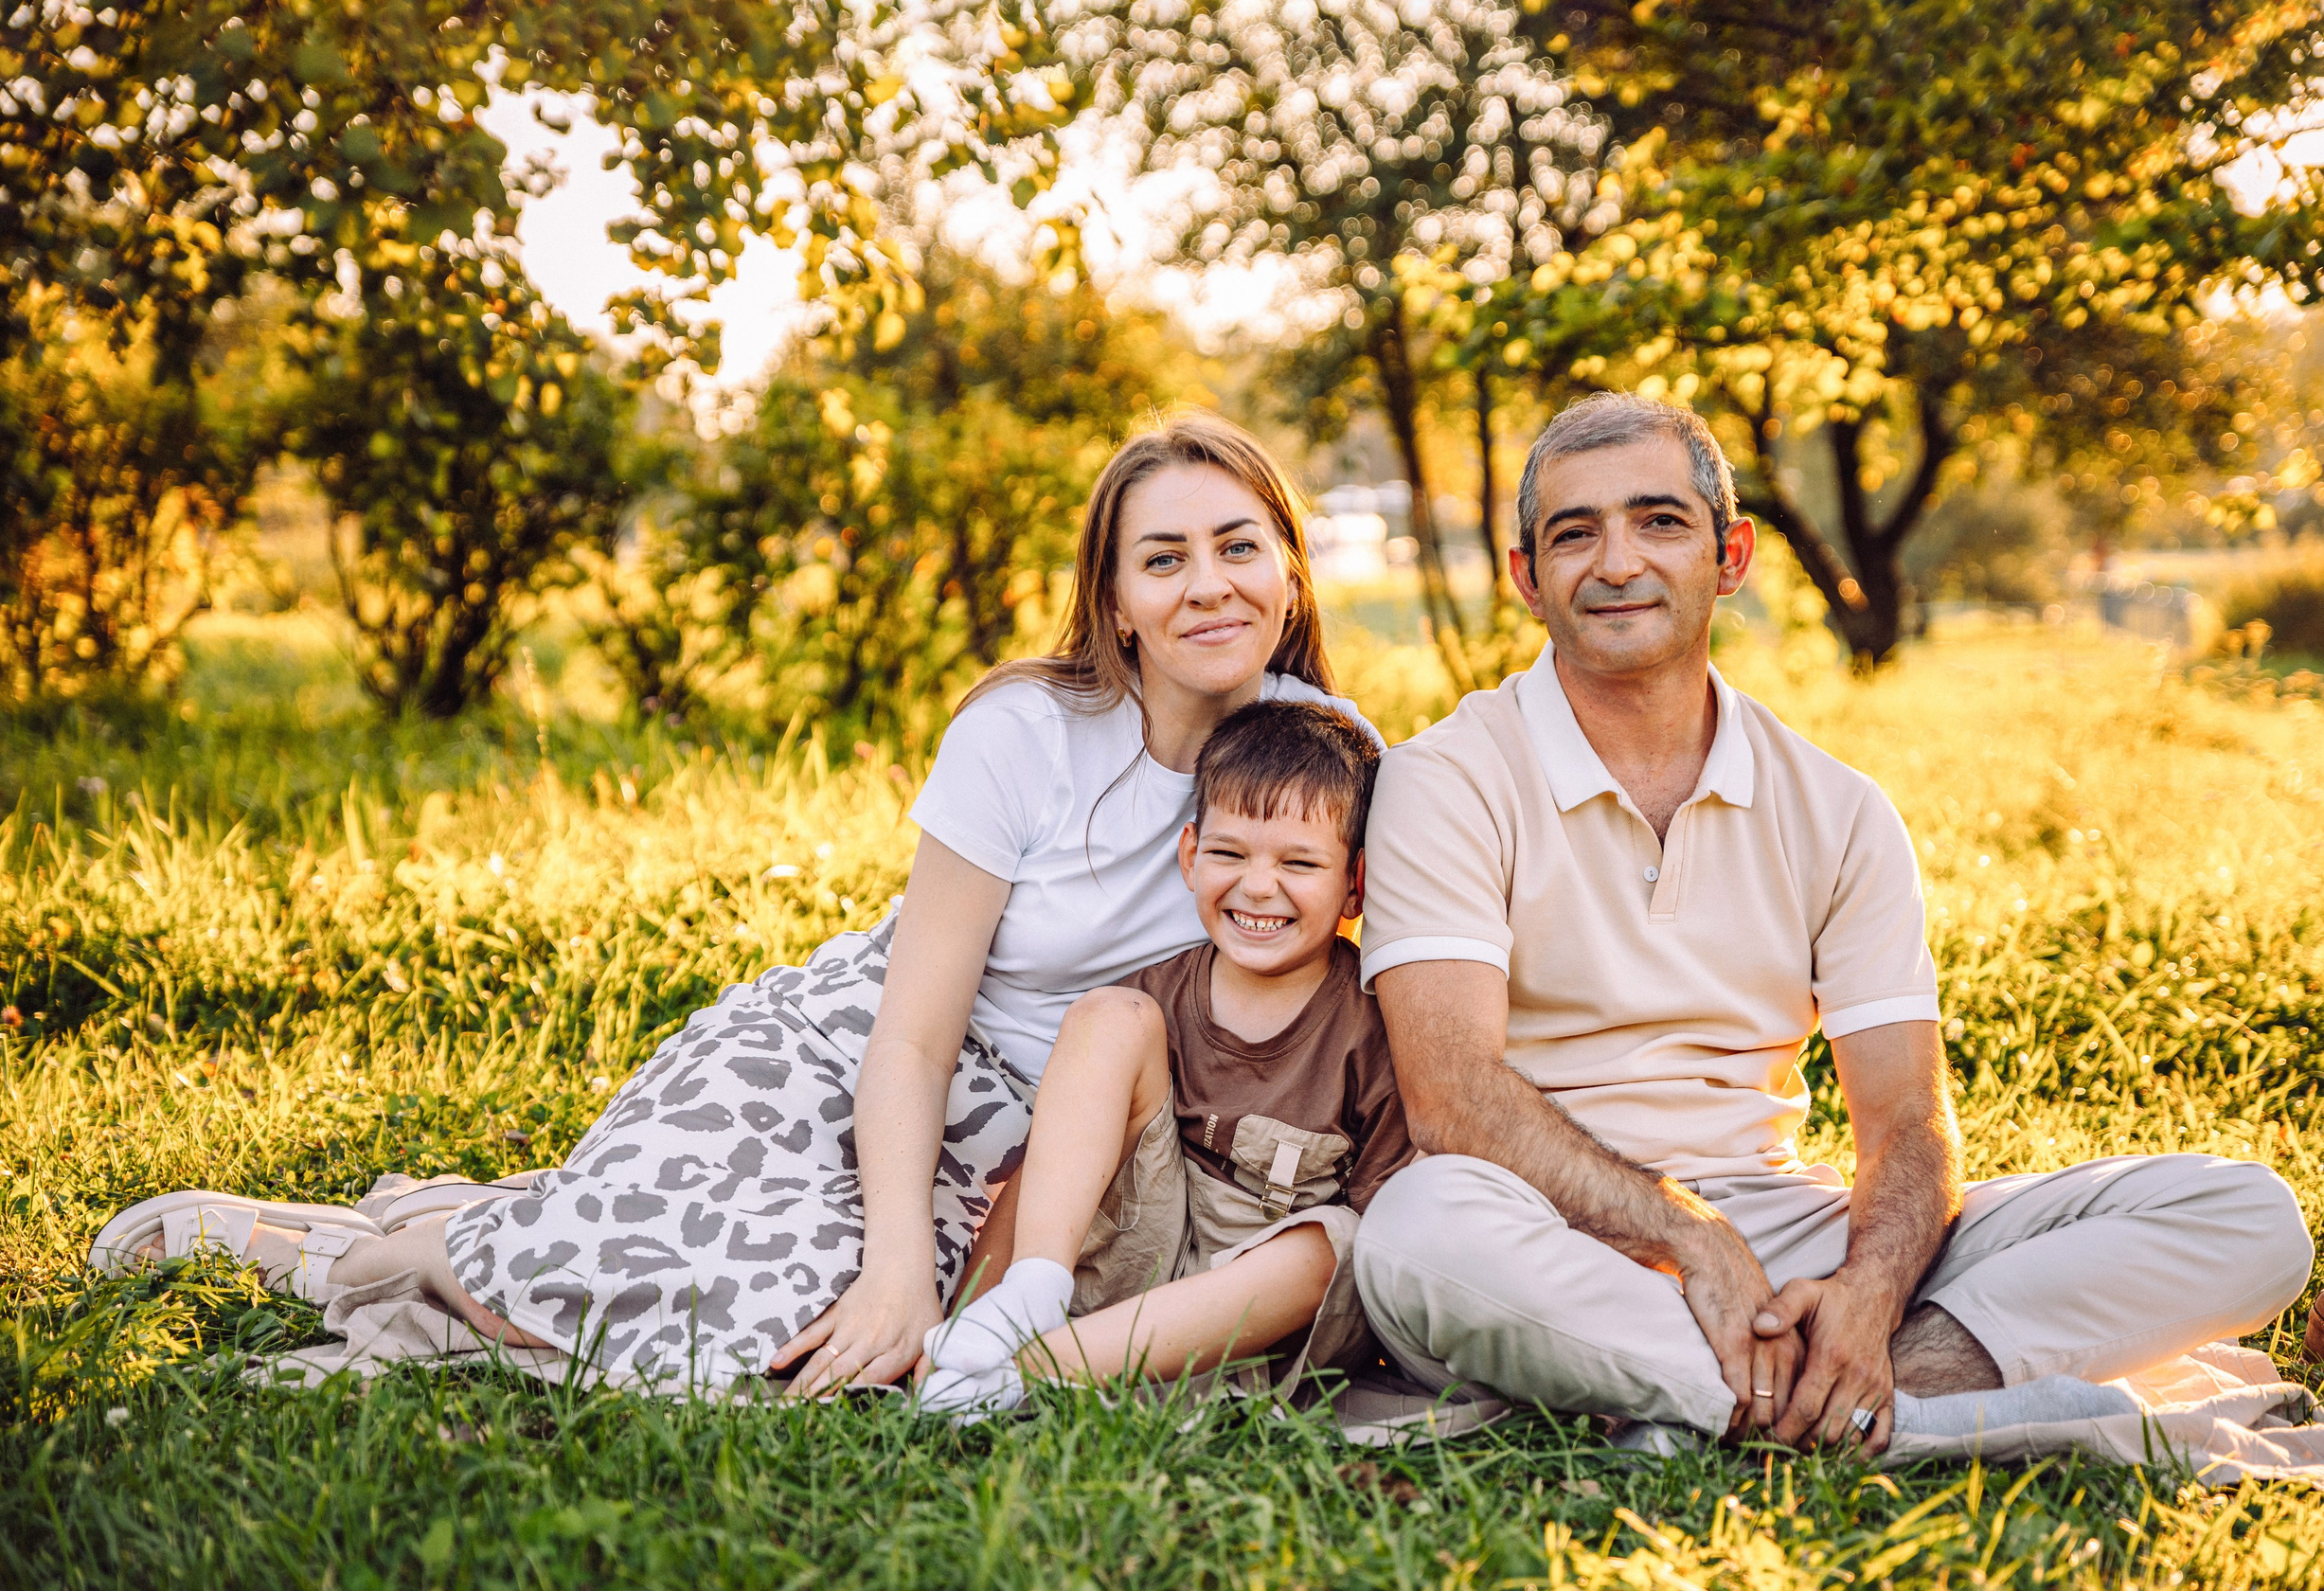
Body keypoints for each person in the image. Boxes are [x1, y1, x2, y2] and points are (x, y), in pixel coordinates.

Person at [87, 412, 1381, 1396]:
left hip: (1056, 1136)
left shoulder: (1324, 751)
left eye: (1237, 546)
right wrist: (891, 1266)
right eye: (1165, 558)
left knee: (787, 1359)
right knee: (822, 1305)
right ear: (1116, 602)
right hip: (862, 1056)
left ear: (1287, 569)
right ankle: (373, 1253)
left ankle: (487, 1226)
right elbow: (915, 1035)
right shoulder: (1027, 732)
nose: (1208, 584)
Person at [1350, 391, 2315, 1456]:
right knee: (1415, 1233)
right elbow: (1450, 1098)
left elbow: (1904, 1114)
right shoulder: (1442, 778)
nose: (1616, 561)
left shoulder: (1838, 809)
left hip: (1781, 1236)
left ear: (1731, 555)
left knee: (2245, 1216)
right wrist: (1687, 1235)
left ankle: (1806, 1395)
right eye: (1574, 532)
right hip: (1549, 1232)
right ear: (1528, 578)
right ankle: (1904, 1414)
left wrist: (1863, 1287)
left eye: (1659, 521)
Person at [917, 699, 1414, 1417]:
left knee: (1338, 1242)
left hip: (1253, 1328)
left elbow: (1384, 1233)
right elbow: (1054, 1162)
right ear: (1189, 855)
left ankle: (1030, 1369)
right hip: (1131, 1267)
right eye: (1228, 853)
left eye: (1299, 862)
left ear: (1355, 884)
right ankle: (1014, 1306)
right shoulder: (1159, 995)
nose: (1258, 885)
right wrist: (976, 1300)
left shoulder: (1372, 1022)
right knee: (1105, 1017)